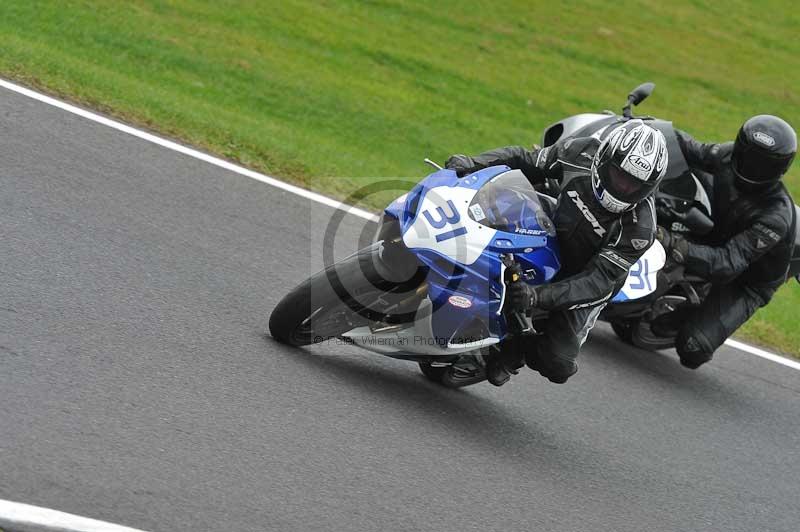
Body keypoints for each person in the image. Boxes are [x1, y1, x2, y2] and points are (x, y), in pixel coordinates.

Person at [446, 119, 668, 385]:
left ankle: (514, 350)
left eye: (635, 185)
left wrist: (536, 296)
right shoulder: (581, 152)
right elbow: (525, 160)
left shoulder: (640, 229)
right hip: (551, 232)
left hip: (586, 276)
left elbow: (596, 281)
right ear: (605, 159)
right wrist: (474, 163)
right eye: (619, 176)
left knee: (558, 364)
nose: (624, 188)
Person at [657, 115, 797, 369]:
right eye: (746, 158)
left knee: (692, 349)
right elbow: (691, 148)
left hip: (746, 279)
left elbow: (727, 264)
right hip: (718, 232)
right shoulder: (726, 156)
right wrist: (649, 129)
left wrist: (673, 244)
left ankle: (689, 313)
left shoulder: (774, 216)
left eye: (761, 166)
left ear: (778, 170)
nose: (749, 168)